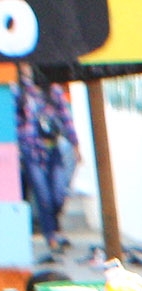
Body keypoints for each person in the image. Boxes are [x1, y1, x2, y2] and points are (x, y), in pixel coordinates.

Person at [17, 77, 76, 256]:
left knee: (58, 194)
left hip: (53, 150)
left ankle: (55, 229)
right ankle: (51, 237)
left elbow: (66, 118)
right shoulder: (19, 91)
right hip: (31, 152)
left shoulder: (53, 90)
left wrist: (75, 143)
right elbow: (15, 120)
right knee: (43, 197)